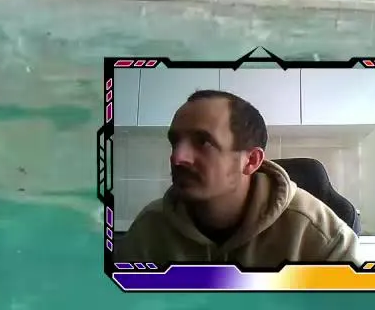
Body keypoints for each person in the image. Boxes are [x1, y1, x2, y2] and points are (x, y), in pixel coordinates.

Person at [116, 90, 358, 268]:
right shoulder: (149, 230)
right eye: (175, 142)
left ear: (251, 160)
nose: (177, 157)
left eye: (203, 142)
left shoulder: (320, 236)